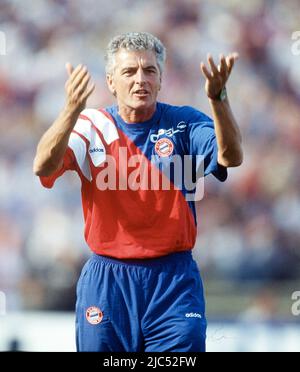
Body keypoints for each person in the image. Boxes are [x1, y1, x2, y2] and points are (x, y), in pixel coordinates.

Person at [33, 32, 243, 352]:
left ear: (161, 80)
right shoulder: (91, 126)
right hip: (107, 281)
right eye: (129, 72)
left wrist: (219, 99)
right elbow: (43, 166)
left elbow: (231, 157)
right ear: (111, 81)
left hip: (172, 280)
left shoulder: (185, 123)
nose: (140, 80)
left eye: (149, 71)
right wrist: (70, 111)